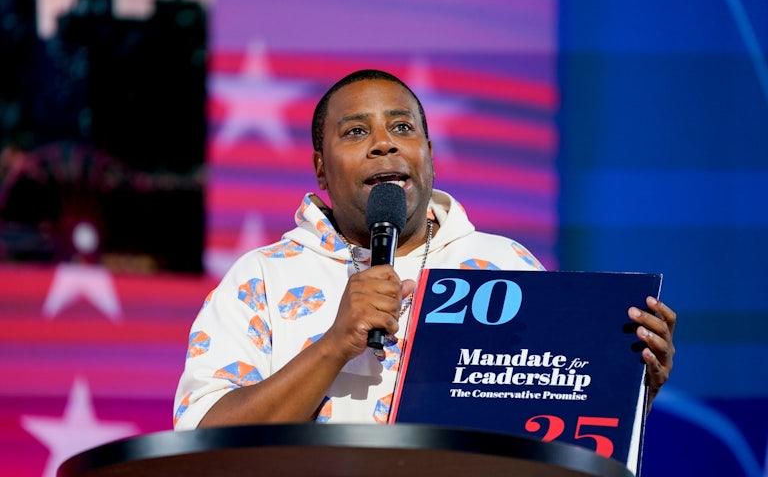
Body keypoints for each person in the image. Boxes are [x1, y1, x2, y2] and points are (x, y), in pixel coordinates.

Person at [173, 69, 676, 429]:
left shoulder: (507, 266)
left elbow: (556, 433)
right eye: (354, 132)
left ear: (429, 155)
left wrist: (629, 393)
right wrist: (333, 346)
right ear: (321, 168)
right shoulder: (260, 278)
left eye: (402, 127)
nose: (383, 144)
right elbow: (204, 443)